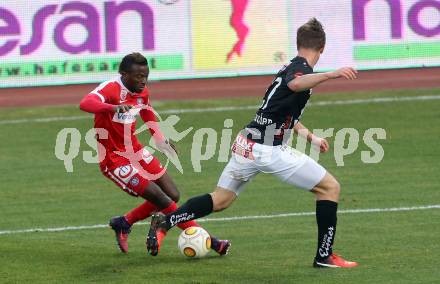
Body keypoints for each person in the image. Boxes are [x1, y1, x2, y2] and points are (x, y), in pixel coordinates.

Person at [146, 19, 359, 268]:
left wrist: (311, 137)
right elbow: (295, 84)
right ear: (322, 49)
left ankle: (165, 221)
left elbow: (280, 111)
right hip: (268, 150)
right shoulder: (299, 71)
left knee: (221, 199)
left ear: (299, 43)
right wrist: (332, 74)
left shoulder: (290, 66)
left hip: (246, 144)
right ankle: (324, 256)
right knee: (329, 188)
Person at [79, 52, 230, 255]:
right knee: (162, 199)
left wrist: (159, 139)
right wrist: (112, 108)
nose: (143, 81)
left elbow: (147, 111)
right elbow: (85, 103)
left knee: (173, 194)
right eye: (138, 77)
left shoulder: (141, 91)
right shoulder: (111, 88)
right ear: (123, 74)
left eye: (145, 76)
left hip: (135, 150)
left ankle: (124, 222)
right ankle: (210, 241)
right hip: (114, 159)